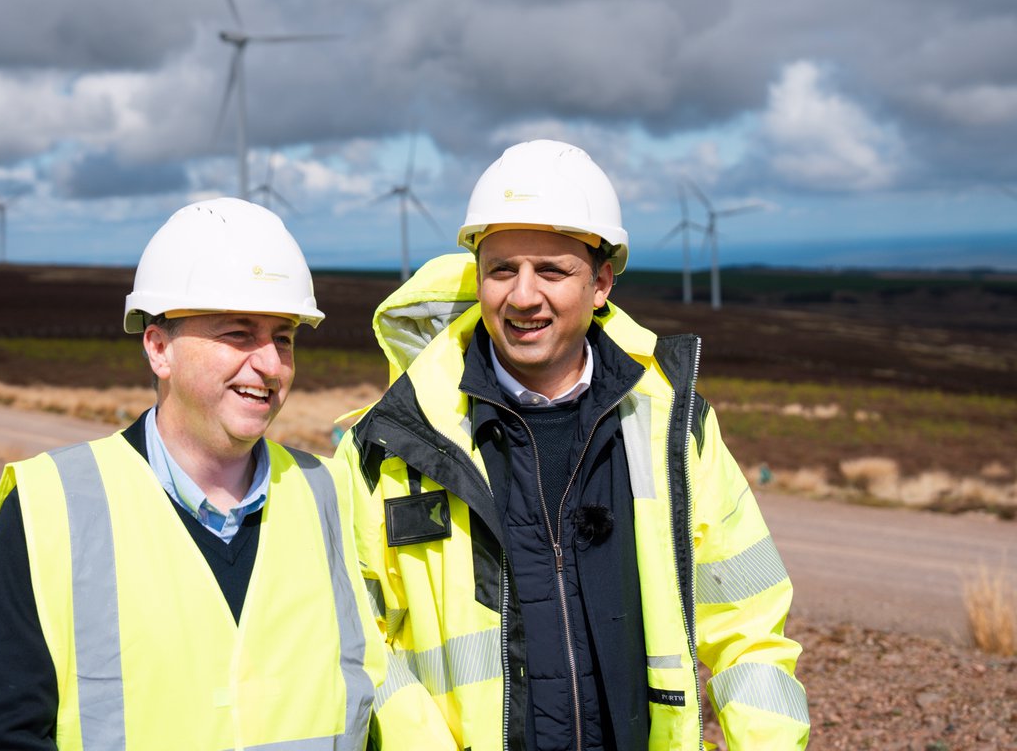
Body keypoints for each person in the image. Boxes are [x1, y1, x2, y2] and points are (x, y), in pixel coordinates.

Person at [338, 140, 810, 750]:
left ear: (601, 284)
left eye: (552, 271)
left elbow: (749, 629)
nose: (523, 296)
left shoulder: (673, 424)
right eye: (502, 269)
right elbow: (365, 647)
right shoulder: (389, 444)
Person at [0, 198, 383, 750]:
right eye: (238, 334)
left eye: (283, 337)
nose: (271, 365)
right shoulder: (53, 506)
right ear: (159, 348)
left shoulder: (335, 495)